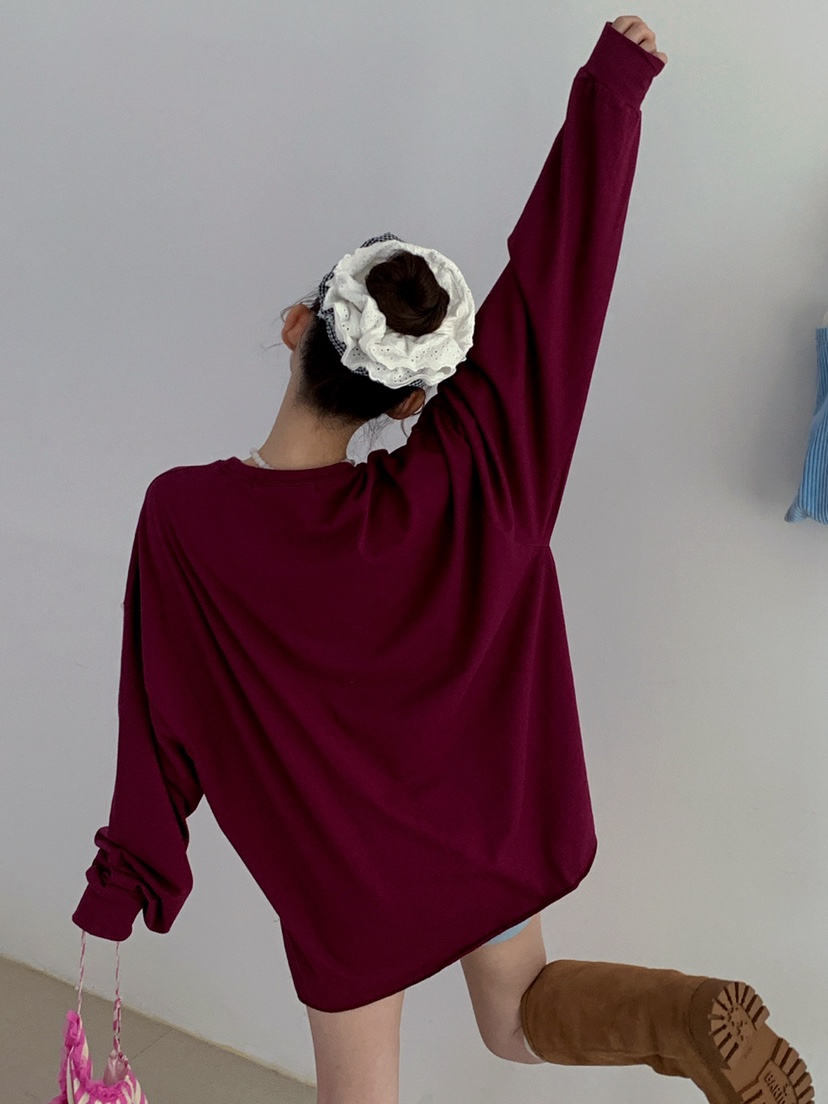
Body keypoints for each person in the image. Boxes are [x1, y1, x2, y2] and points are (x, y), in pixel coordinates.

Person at [71, 15, 813, 1104]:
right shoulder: (471, 481)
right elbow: (554, 302)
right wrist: (611, 93)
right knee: (516, 1017)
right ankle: (674, 1012)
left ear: (298, 324)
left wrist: (127, 874)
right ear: (416, 397)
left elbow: (158, 710)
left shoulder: (185, 517)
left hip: (348, 887)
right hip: (479, 834)